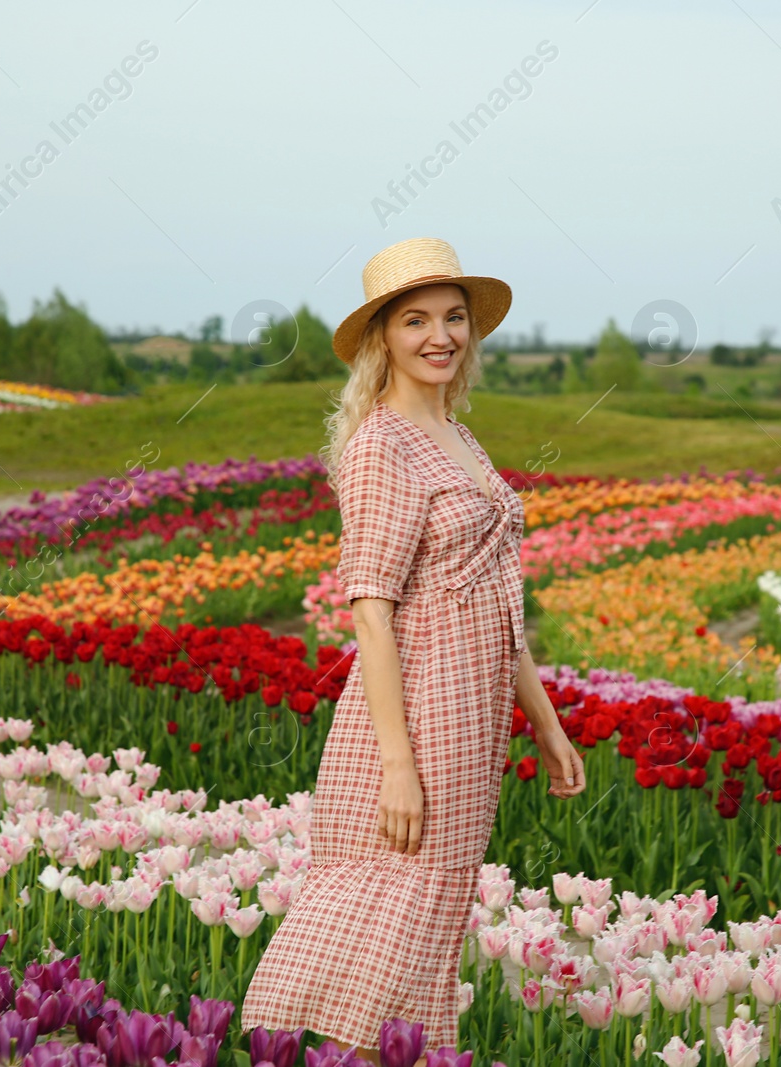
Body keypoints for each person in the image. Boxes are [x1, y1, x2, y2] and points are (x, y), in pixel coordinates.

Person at [239, 237, 587, 1060]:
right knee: (387, 911)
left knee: (429, 922)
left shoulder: (462, 438)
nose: (442, 335)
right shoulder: (383, 444)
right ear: (382, 337)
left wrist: (544, 719)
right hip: (413, 717)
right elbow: (370, 609)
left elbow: (501, 596)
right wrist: (398, 761)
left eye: (455, 317)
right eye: (416, 319)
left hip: (473, 719)